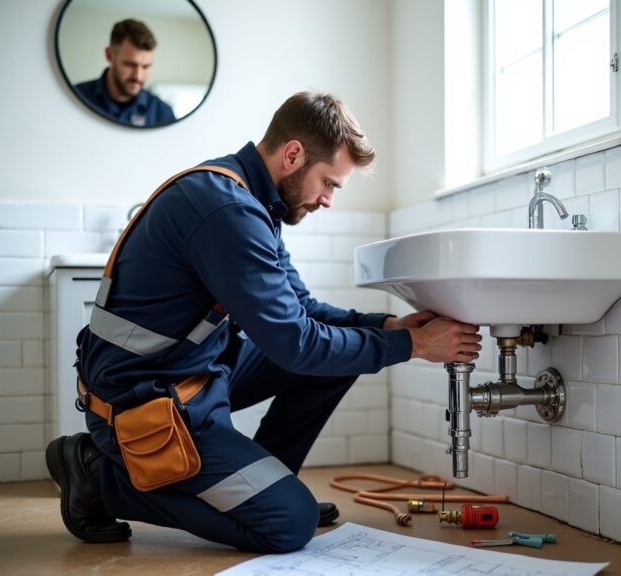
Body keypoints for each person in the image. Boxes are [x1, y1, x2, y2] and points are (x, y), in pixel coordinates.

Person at [45, 92, 482, 553]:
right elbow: (297, 345)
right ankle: (98, 472)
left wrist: (390, 327)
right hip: (143, 401)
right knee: (289, 525)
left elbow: (304, 311)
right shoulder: (227, 211)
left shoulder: (251, 201)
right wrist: (415, 346)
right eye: (328, 183)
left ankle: (265, 486)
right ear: (293, 154)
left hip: (192, 374)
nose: (328, 200)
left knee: (345, 353)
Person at [75, 19, 175, 127]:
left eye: (146, 66)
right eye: (130, 65)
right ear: (109, 55)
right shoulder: (74, 97)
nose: (138, 76)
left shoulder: (162, 113)